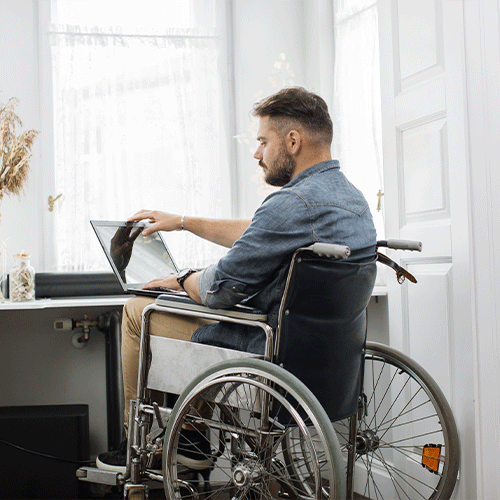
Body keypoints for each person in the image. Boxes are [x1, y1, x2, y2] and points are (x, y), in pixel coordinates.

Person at [96, 86, 377, 473]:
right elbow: (261, 233)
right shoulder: (353, 201)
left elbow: (217, 289)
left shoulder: (292, 204)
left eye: (263, 141)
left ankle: (139, 446)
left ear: (292, 141)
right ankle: (191, 436)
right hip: (326, 360)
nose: (257, 153)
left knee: (136, 310)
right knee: (192, 307)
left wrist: (181, 279)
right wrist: (183, 222)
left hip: (267, 351)